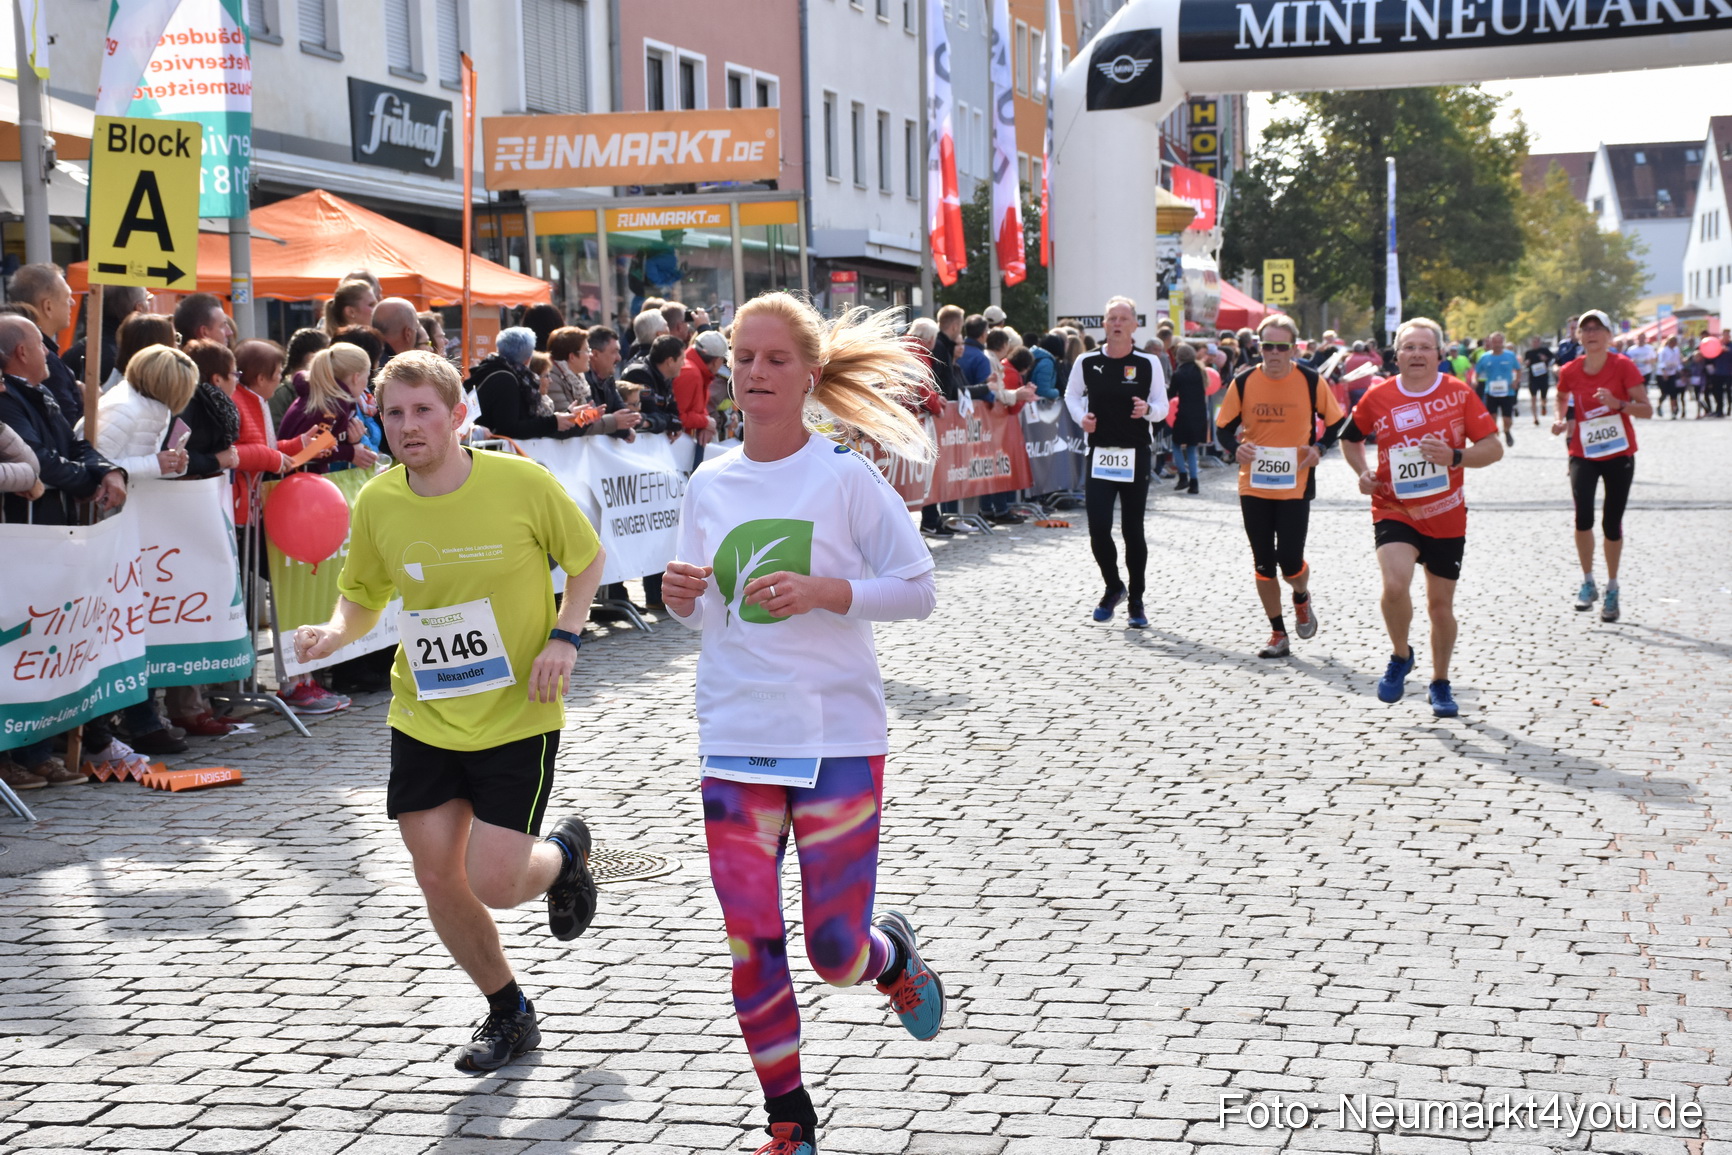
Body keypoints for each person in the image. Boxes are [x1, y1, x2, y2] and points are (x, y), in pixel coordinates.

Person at [660, 297, 945, 1155]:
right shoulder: (708, 482)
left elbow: (920, 586)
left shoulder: (845, 477)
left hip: (836, 741)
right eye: (742, 357)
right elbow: (702, 608)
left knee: (830, 948)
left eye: (775, 359)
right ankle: (790, 1120)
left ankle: (887, 957)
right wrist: (681, 599)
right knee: (752, 937)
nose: (753, 373)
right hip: (737, 736)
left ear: (810, 375)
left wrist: (829, 592)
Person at [293, 350, 606, 1073]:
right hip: (425, 711)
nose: (407, 425)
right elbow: (363, 591)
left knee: (494, 880)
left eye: (422, 410)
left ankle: (564, 857)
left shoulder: (520, 482)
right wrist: (336, 633)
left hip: (515, 712)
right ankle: (509, 1010)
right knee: (438, 874)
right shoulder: (378, 500)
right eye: (393, 412)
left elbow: (586, 560)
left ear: (457, 415)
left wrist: (564, 636)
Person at [1338, 317, 1504, 718]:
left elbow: (1493, 448)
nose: (1416, 354)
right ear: (1397, 354)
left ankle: (1441, 682)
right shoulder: (1378, 396)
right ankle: (1401, 655)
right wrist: (1362, 472)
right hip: (1394, 507)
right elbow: (1349, 437)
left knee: (1439, 607)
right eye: (1409, 347)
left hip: (1446, 514)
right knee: (1395, 584)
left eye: (1424, 347)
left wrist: (1456, 456)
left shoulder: (1459, 394)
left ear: (1439, 354)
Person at [1215, 314, 1347, 659]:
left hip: (1295, 484)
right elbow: (1222, 429)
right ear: (1259, 347)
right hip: (1253, 484)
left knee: (1289, 561)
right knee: (1262, 562)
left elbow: (1335, 422)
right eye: (1267, 346)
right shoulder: (1243, 382)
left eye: (1281, 347)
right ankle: (1278, 632)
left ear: (1293, 349)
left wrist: (1318, 449)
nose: (1273, 353)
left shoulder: (1309, 380)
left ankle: (1301, 597)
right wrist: (1235, 448)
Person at [1065, 297, 1168, 629]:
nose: (1118, 323)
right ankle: (1113, 586)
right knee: (1097, 527)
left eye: (1124, 318)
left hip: (1136, 453)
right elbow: (1071, 396)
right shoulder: (1086, 361)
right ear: (1105, 324)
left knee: (1132, 529)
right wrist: (1082, 418)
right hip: (1100, 453)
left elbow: (1161, 405)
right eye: (1112, 318)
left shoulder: (1148, 362)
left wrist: (1147, 411)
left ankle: (1136, 600)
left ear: (1135, 325)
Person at [1551, 309, 1650, 622]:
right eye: (1585, 329)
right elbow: (1561, 396)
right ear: (1579, 336)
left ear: (1609, 335)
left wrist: (1618, 404)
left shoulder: (1623, 366)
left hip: (1619, 453)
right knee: (1582, 518)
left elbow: (1646, 409)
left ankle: (1612, 587)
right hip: (1583, 452)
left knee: (1611, 522)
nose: (1591, 333)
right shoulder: (1570, 369)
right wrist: (1559, 420)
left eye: (1597, 328)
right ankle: (1588, 582)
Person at [279, 344, 382, 474]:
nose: (367, 384)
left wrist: (352, 441)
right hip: (298, 483)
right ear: (355, 378)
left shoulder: (329, 400)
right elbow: (311, 450)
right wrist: (350, 453)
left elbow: (324, 442)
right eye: (366, 377)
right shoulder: (330, 407)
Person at [470, 327, 580, 441]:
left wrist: (561, 418)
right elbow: (510, 428)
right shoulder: (506, 379)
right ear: (528, 359)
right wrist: (553, 422)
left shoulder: (489, 368)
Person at [8, 263, 82, 421]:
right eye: (67, 297)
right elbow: (69, 429)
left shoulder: (12, 349)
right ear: (47, 306)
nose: (72, 303)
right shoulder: (44, 363)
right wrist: (91, 400)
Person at [65, 285, 150, 384]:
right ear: (139, 308)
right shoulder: (129, 361)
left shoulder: (73, 353)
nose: (149, 305)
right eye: (147, 299)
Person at [1166, 343, 1210, 494]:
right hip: (1199, 414)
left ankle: (1183, 477)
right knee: (1192, 449)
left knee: (1176, 445)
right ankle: (1194, 482)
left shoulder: (1178, 374)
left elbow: (1171, 394)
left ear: (1179, 357)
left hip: (1184, 413)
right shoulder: (1201, 371)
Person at [274, 328, 331, 425]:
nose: (331, 362)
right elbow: (276, 433)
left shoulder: (324, 390)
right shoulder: (281, 394)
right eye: (327, 355)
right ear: (312, 358)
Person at [1475, 332, 1521, 447]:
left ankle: (1507, 431)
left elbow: (1519, 369)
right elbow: (1476, 372)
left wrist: (1516, 381)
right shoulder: (1484, 357)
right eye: (1495, 342)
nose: (1497, 344)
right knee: (1492, 417)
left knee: (1507, 419)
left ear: (1503, 342)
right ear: (1490, 343)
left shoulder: (1510, 355)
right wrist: (1474, 380)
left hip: (1507, 392)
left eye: (1499, 342)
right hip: (1491, 392)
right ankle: (1494, 438)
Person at [1523, 336, 1555, 426]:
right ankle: (1535, 418)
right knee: (1533, 398)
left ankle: (1543, 405)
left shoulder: (1545, 350)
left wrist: (1546, 359)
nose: (1535, 344)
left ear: (1539, 342)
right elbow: (1525, 363)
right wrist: (1526, 363)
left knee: (1543, 397)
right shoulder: (1528, 353)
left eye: (1537, 342)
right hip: (1533, 378)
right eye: (1533, 342)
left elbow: (1553, 359)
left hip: (1543, 377)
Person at [1655, 335, 1683, 419]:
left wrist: (1680, 370)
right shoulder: (1663, 350)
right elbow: (1660, 362)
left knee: (1673, 393)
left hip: (1672, 373)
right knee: (1664, 393)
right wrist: (1664, 372)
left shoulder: (1676, 350)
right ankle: (1659, 405)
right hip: (1662, 374)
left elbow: (1677, 361)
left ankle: (1673, 411)